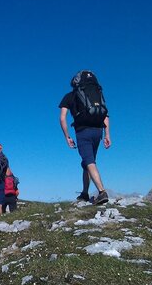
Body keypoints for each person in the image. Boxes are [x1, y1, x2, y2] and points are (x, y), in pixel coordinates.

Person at [59, 70, 111, 205]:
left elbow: (62, 118)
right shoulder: (97, 95)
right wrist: (107, 135)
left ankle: (101, 192)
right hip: (98, 131)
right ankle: (85, 193)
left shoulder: (69, 96)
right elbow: (105, 114)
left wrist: (67, 137)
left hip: (83, 132)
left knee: (89, 161)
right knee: (88, 162)